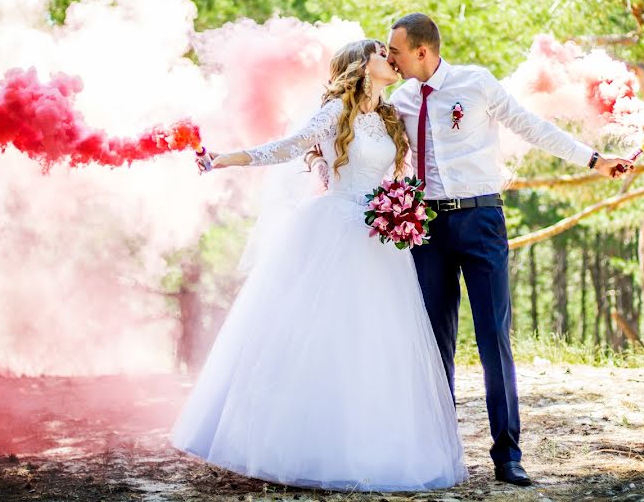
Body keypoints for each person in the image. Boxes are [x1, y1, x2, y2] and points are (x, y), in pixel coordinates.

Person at [171, 39, 467, 492]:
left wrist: (402, 207)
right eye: (379, 52)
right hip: (336, 229)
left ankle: (374, 445)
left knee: (378, 341)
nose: (390, 57)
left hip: (380, 240)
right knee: (323, 336)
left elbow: (413, 165)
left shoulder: (390, 116)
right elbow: (288, 147)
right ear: (359, 66)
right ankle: (302, 445)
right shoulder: (336, 112)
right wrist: (223, 159)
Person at [386, 13, 633, 486]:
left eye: (395, 51)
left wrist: (595, 160)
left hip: (480, 219)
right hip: (427, 228)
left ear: (423, 50)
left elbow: (532, 126)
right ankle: (440, 453)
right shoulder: (398, 99)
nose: (390, 58)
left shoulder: (475, 83)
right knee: (435, 343)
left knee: (492, 338)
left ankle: (508, 455)